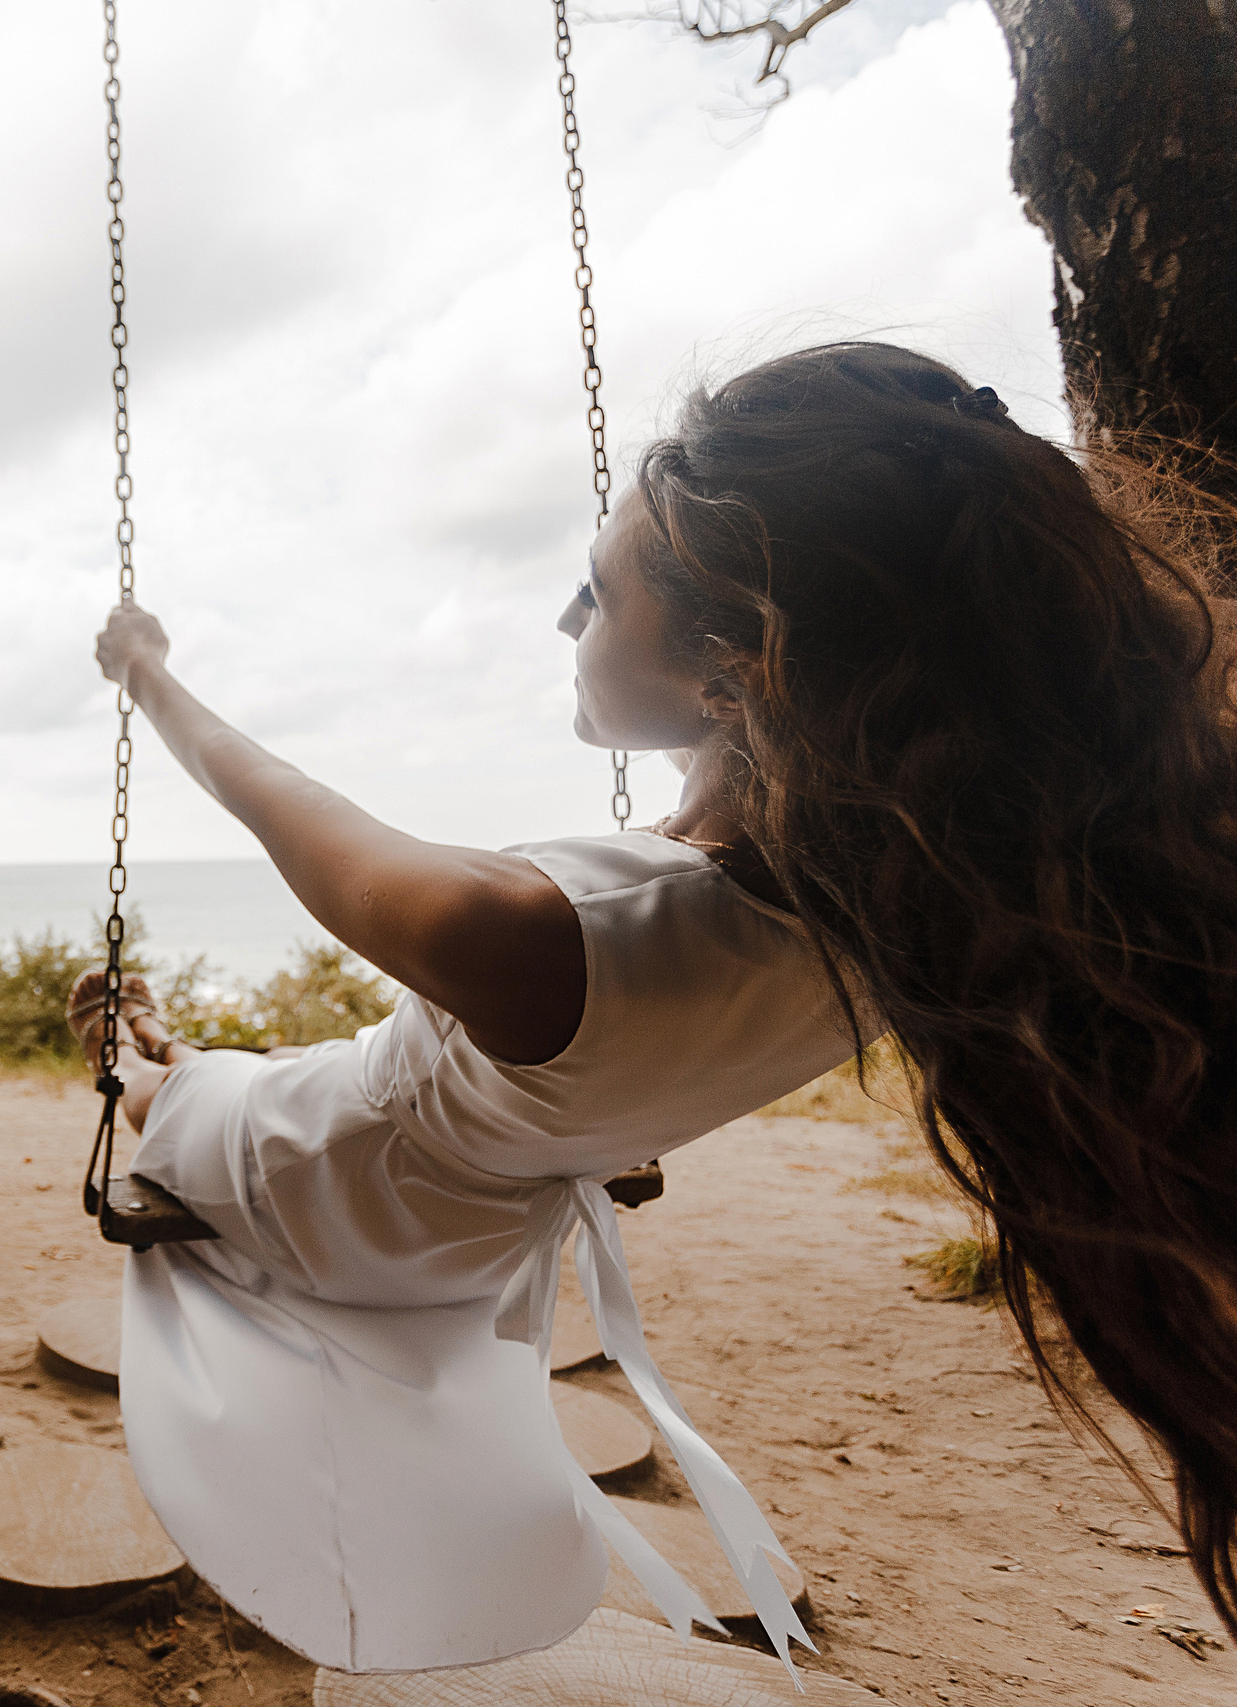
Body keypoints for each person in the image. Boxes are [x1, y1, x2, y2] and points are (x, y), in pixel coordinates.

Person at [72, 342, 1237, 1675]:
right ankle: (164, 1056)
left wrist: (148, 671)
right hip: (484, 1223)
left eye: (596, 592)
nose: (568, 623)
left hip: (345, 1173)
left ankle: (137, 1054)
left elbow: (269, 789)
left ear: (732, 671)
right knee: (259, 1079)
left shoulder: (523, 931)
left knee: (185, 1103)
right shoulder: (904, 907)